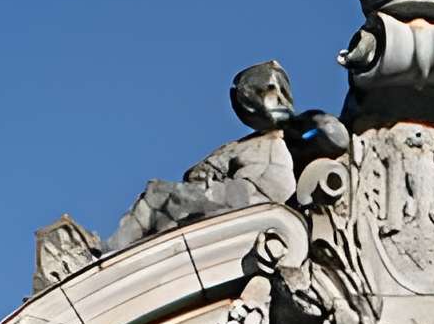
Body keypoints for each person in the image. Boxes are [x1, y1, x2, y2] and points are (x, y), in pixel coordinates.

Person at [110, 61, 306, 251]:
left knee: (157, 196)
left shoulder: (291, 135)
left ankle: (111, 253)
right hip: (244, 196)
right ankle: (124, 250)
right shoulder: (245, 144)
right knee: (160, 201)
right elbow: (197, 173)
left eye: (278, 92)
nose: (277, 98)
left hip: (253, 197)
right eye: (270, 91)